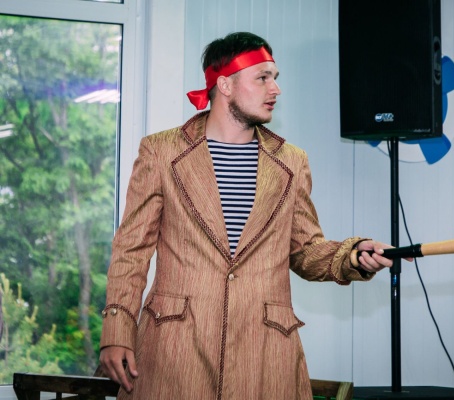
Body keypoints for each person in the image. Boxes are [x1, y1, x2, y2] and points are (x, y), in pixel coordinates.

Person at [99, 31, 395, 400]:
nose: (276, 89)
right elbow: (131, 251)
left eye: (275, 78)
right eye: (263, 78)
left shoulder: (292, 161)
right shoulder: (161, 152)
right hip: (175, 351)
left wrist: (352, 256)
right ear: (225, 84)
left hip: (265, 354)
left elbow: (305, 251)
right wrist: (116, 330)